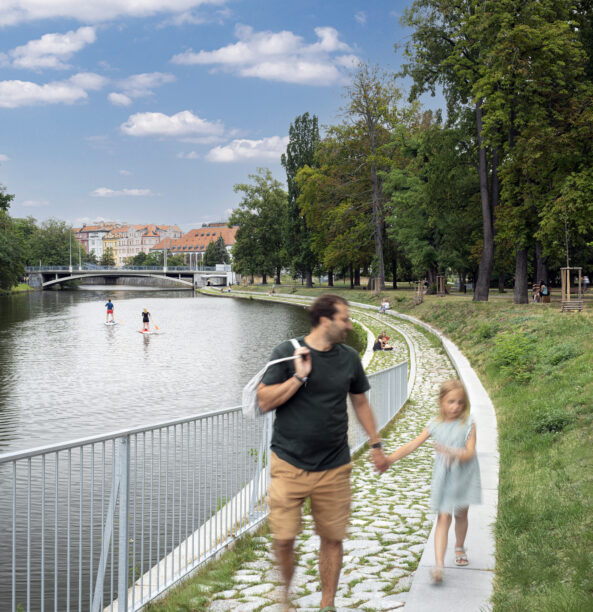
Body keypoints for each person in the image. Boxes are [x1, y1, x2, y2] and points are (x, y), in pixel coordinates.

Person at [257, 294, 388, 610]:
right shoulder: (286, 353)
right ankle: (285, 596)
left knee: (332, 538)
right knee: (284, 538)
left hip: (334, 465)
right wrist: (299, 377)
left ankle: (326, 604)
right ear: (325, 320)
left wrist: (376, 444)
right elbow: (264, 401)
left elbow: (360, 402)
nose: (350, 324)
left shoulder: (349, 358)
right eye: (345, 318)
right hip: (288, 463)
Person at [385, 379, 481, 583]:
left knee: (461, 514)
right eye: (451, 402)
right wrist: (390, 459)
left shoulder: (469, 424)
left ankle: (459, 546)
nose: (455, 407)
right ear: (441, 402)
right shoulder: (434, 425)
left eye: (460, 403)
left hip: (463, 476)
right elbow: (413, 444)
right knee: (443, 517)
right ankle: (438, 565)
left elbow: (470, 453)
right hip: (444, 478)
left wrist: (452, 452)